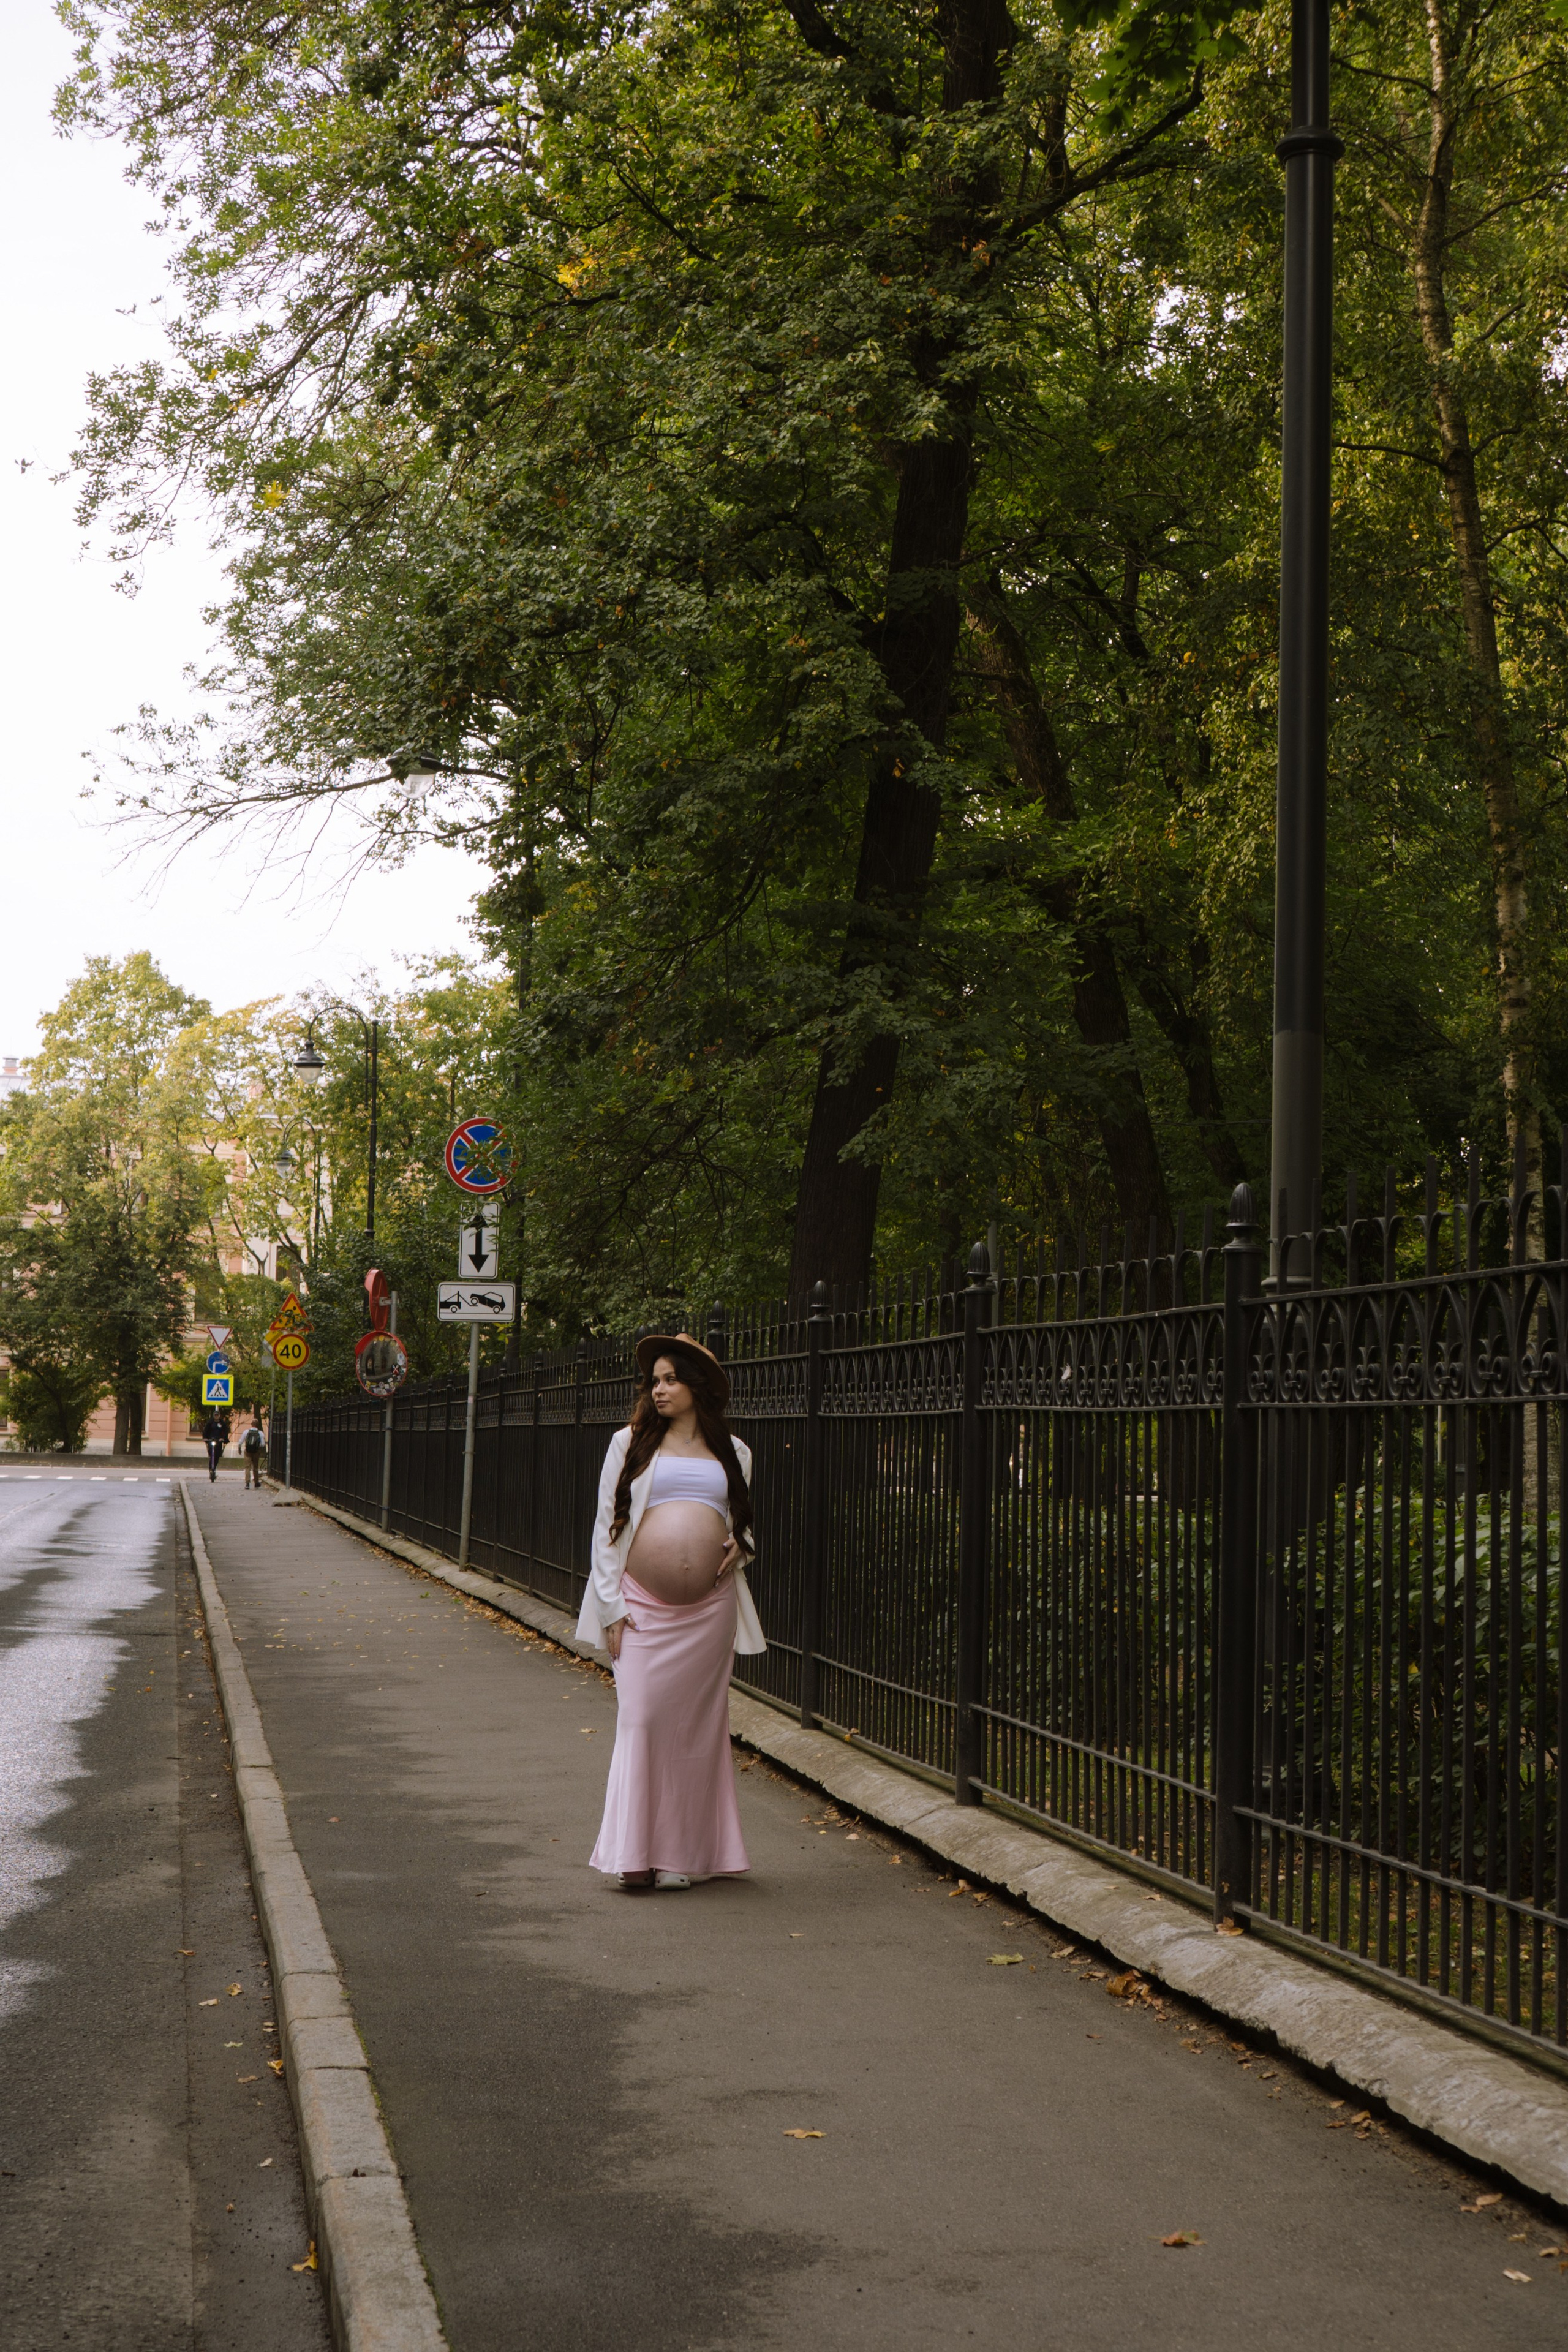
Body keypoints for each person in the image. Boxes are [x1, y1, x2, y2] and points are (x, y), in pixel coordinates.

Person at [578, 1333, 766, 1890]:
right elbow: (604, 1528)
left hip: (709, 1612)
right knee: (642, 1720)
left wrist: (744, 1545)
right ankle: (634, 1852)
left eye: (669, 1379)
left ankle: (681, 1857)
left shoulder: (736, 1452)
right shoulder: (628, 1444)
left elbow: (742, 1526)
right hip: (640, 1607)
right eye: (654, 1381)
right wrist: (610, 1606)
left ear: (695, 1386)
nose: (658, 1389)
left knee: (696, 1731)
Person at [241, 1412, 266, 1490]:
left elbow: (241, 1441)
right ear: (258, 1425)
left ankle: (247, 1483)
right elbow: (263, 1444)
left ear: (251, 1424)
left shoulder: (246, 1432)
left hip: (248, 1451)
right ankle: (256, 1482)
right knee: (255, 1467)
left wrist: (239, 1448)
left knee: (247, 1467)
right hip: (256, 1452)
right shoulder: (260, 1433)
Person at [202, 1410, 227, 1484]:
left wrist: (223, 1438)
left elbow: (225, 1432)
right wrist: (205, 1438)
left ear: (219, 1416)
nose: (216, 1416)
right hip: (211, 1440)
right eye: (215, 1415)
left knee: (217, 1456)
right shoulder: (210, 1423)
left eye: (217, 1415)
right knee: (212, 1456)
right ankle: (211, 1470)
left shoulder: (222, 1423)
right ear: (214, 1416)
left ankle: (214, 1467)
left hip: (219, 1441)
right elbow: (206, 1431)